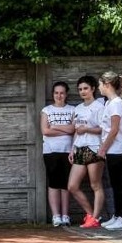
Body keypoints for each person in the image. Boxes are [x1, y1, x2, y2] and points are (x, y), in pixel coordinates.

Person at [67, 76, 105, 228]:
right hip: (80, 149)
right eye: (80, 89)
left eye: (85, 88)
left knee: (95, 185)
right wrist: (72, 148)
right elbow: (76, 130)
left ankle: (94, 218)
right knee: (72, 186)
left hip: (95, 148)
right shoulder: (77, 109)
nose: (83, 91)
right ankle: (92, 216)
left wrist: (87, 129)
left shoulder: (99, 107)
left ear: (93, 89)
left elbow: (104, 129)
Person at [97, 71, 122, 230]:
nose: (99, 88)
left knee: (119, 185)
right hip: (113, 150)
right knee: (115, 184)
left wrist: (103, 149)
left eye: (99, 84)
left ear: (107, 84)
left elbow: (114, 129)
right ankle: (117, 216)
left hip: (118, 149)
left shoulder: (116, 103)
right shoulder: (109, 103)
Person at [40, 81, 74, 226]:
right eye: (56, 93)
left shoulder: (73, 109)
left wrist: (55, 126)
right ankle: (56, 216)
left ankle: (65, 215)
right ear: (53, 94)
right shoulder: (46, 110)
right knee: (54, 183)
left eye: (62, 93)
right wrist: (65, 128)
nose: (59, 95)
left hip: (68, 151)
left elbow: (73, 129)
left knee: (66, 184)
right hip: (50, 151)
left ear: (66, 94)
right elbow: (45, 131)